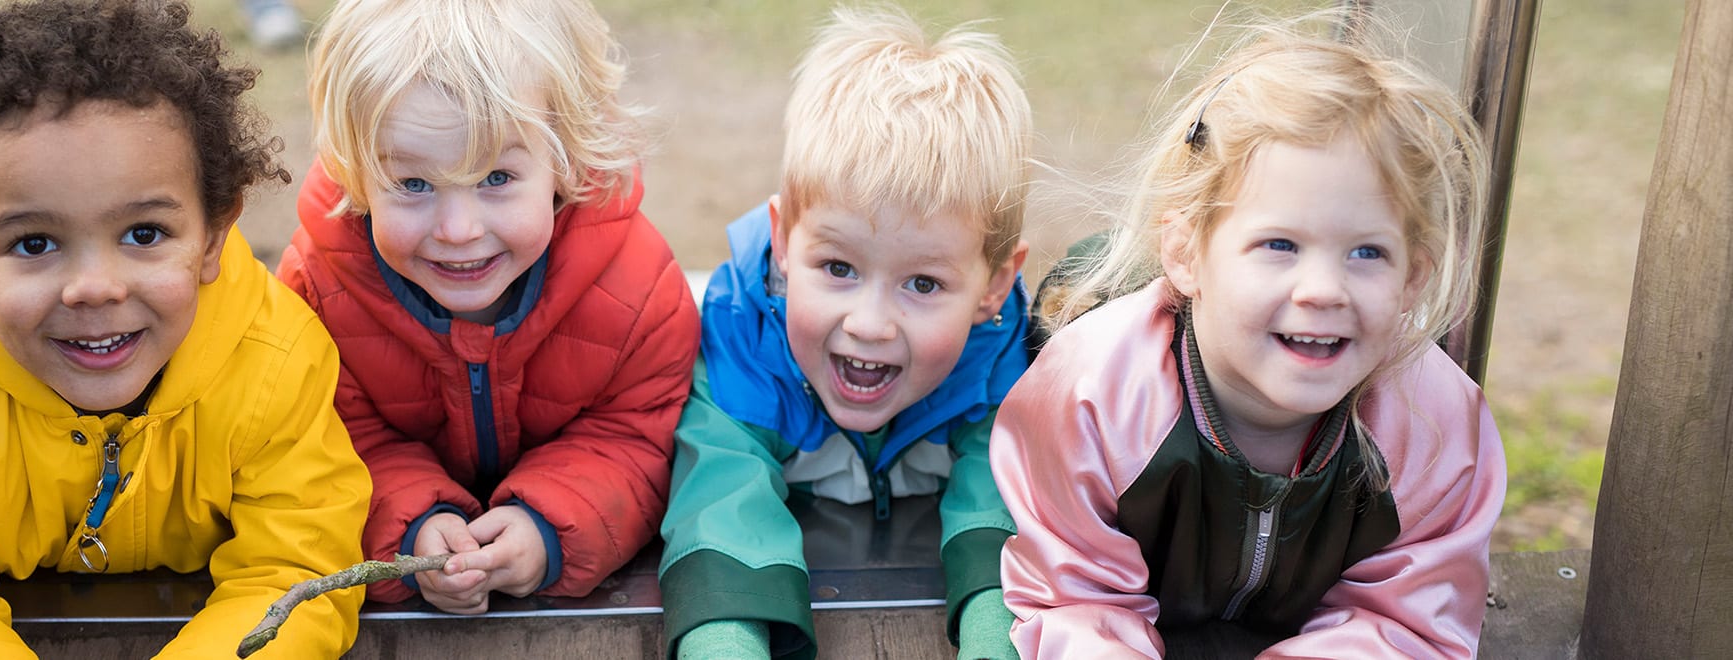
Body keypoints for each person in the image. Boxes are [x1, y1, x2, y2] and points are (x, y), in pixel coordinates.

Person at [0, 1, 372, 656]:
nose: (95, 287)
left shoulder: (275, 364)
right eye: (35, 243)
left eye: (143, 233)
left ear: (212, 237)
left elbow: (296, 575)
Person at [992, 13, 1506, 658]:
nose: (1324, 289)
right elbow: (1075, 599)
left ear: (1413, 279)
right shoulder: (1091, 395)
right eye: (1280, 244)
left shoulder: (1433, 425)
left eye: (1367, 253)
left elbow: (1406, 622)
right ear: (1185, 254)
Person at [278, 0, 698, 613]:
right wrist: (411, 528)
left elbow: (633, 437)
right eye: (413, 184)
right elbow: (328, 444)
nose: (459, 230)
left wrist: (550, 527)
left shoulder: (637, 291)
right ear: (356, 174)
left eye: (496, 178)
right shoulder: (316, 293)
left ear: (564, 158)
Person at [656, 6, 1035, 658]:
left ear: (993, 288)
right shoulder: (744, 341)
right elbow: (720, 512)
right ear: (782, 243)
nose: (868, 323)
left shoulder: (999, 358)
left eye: (923, 284)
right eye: (838, 268)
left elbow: (1002, 508)